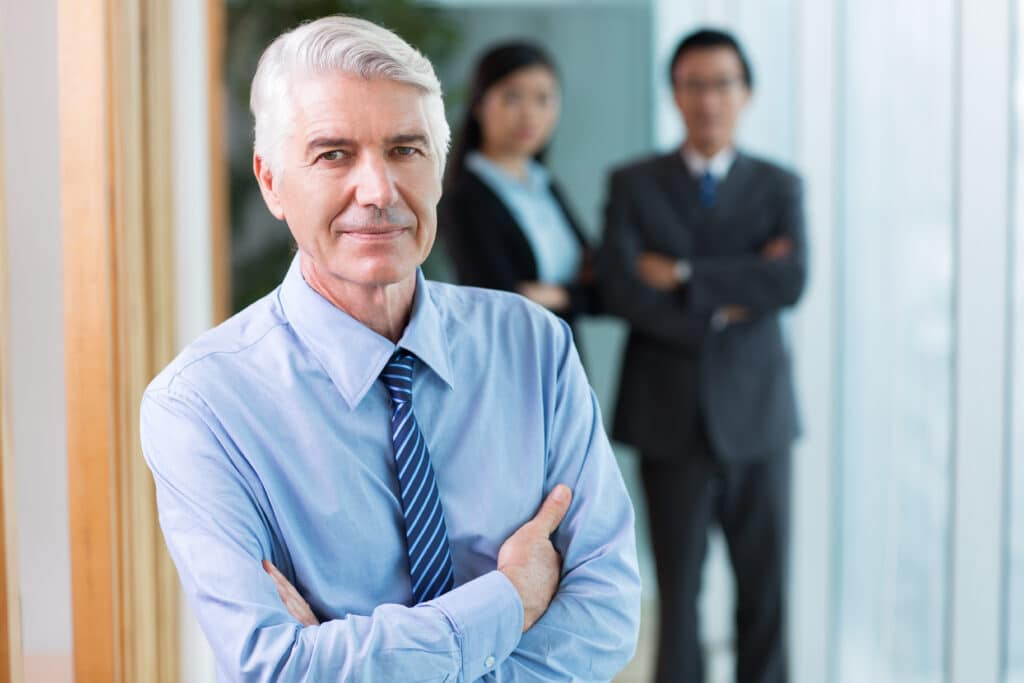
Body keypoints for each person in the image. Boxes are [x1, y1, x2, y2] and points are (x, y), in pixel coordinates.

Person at [140, 15, 640, 682]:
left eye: (405, 149)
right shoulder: (202, 405)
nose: (378, 192)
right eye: (333, 153)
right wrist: (511, 599)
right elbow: (278, 668)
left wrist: (351, 656)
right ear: (271, 182)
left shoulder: (534, 346)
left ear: (438, 168)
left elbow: (606, 618)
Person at [596, 28, 806, 683]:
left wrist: (685, 276)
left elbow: (789, 281)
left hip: (759, 416)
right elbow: (624, 289)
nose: (709, 99)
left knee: (764, 594)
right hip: (669, 417)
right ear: (675, 95)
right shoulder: (633, 183)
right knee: (677, 593)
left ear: (746, 94)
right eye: (694, 84)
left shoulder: (779, 185)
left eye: (722, 84)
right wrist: (735, 289)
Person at [439, 42, 598, 338]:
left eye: (543, 99)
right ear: (479, 104)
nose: (529, 114)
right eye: (512, 97)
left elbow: (603, 288)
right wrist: (574, 293)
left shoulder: (546, 186)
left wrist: (557, 295)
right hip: (507, 356)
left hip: (566, 355)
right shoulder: (465, 199)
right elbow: (501, 299)